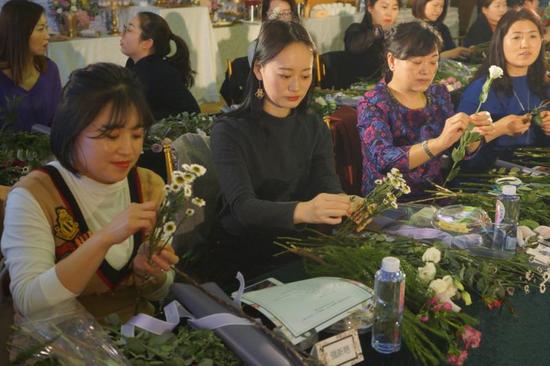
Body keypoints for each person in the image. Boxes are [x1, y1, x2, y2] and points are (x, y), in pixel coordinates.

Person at [1, 63, 178, 321]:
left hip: (139, 337)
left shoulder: (149, 186)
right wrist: (104, 238)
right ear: (72, 132)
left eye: (137, 134)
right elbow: (29, 302)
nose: (128, 150)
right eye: (111, 136)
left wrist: (149, 274)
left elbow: (158, 292)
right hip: (59, 346)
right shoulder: (35, 196)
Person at [212, 20, 350, 278]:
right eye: (285, 75)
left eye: (305, 75)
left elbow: (327, 184)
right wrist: (305, 210)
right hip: (245, 257)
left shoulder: (313, 125)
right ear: (259, 69)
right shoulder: (229, 130)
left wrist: (345, 203)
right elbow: (243, 208)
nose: (296, 86)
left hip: (301, 249)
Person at [357, 21, 493, 196]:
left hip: (434, 197)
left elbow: (457, 150)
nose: (426, 71)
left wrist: (472, 135)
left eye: (433, 62)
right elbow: (384, 160)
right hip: (387, 205)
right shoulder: (373, 103)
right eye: (416, 62)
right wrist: (439, 143)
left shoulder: (438, 94)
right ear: (392, 60)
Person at [458, 9, 550, 170]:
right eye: (516, 37)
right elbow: (460, 153)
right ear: (500, 41)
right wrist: (499, 129)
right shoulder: (481, 90)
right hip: (493, 179)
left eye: (533, 36)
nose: (525, 44)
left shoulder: (545, 83)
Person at [120, 12, 200, 121]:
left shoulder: (154, 70)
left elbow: (192, 112)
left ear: (147, 43)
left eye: (129, 30)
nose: (122, 34)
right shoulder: (134, 63)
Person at [0, 0, 61, 132]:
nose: (47, 36)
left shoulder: (50, 70)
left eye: (46, 27)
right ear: (19, 33)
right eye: (40, 29)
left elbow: (58, 121)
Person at [344, 0, 400, 84]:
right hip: (360, 90)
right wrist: (374, 33)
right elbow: (353, 47)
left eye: (394, 8)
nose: (389, 13)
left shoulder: (397, 35)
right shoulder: (357, 30)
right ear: (370, 7)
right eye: (384, 7)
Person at [247, 0, 298, 66]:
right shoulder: (255, 48)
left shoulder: (300, 45)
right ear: (265, 17)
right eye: (275, 14)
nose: (281, 18)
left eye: (286, 13)